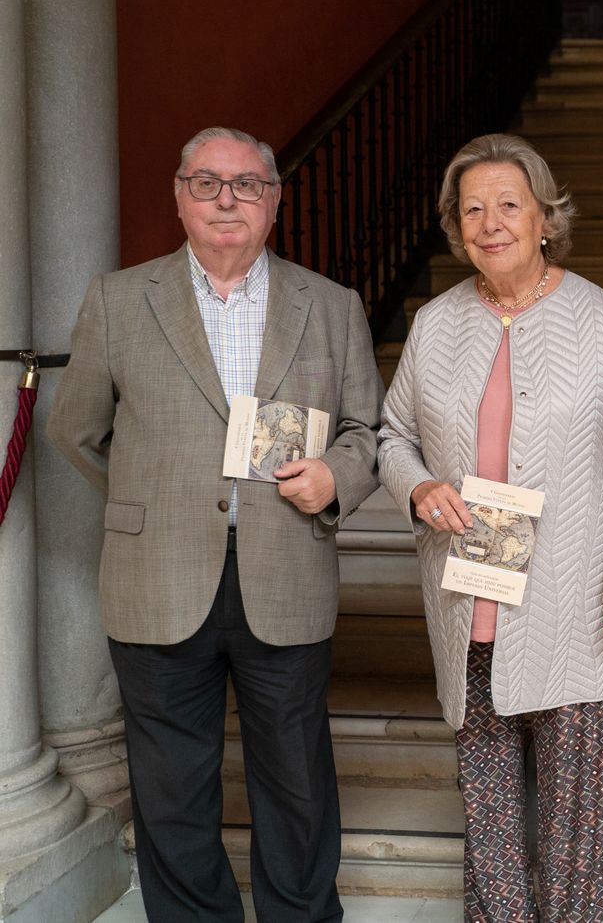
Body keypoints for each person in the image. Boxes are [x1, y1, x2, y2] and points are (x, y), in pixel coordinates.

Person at [47, 126, 384, 922]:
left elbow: (369, 433)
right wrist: (149, 495)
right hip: (156, 574)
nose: (226, 200)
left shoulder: (331, 306)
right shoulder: (118, 299)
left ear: (275, 202)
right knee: (170, 788)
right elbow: (75, 430)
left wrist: (336, 475)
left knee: (297, 782)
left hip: (287, 569)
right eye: (207, 183)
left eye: (247, 185)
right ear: (179, 196)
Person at [377, 133, 603, 922]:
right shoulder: (435, 324)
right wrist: (419, 484)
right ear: (456, 226)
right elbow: (392, 434)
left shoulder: (598, 317)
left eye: (509, 204)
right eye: (473, 209)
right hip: (469, 595)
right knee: (489, 801)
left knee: (576, 805)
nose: (490, 222)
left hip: (571, 597)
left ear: (544, 217)